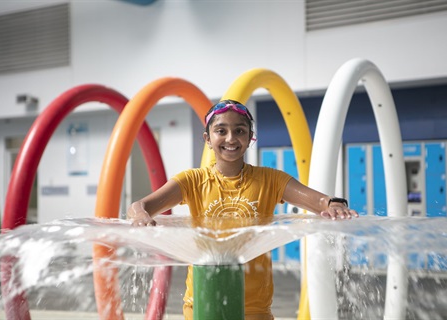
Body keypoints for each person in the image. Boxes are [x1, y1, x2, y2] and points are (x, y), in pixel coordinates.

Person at [127, 99, 359, 320]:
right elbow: (140, 206)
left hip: (254, 307)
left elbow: (320, 202)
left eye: (240, 131)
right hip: (202, 299)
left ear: (250, 138)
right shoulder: (193, 181)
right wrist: (141, 216)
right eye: (221, 130)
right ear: (207, 138)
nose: (231, 138)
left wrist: (334, 204)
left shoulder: (270, 180)